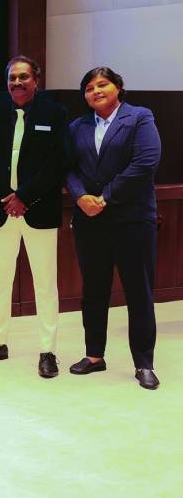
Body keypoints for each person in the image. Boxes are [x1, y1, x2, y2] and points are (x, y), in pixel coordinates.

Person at [66, 67, 161, 390]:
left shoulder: (139, 117)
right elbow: (68, 168)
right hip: (89, 222)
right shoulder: (77, 126)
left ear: (118, 87)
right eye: (89, 87)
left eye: (102, 84)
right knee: (93, 291)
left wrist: (103, 197)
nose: (96, 91)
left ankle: (144, 363)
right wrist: (80, 198)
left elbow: (146, 162)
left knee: (139, 292)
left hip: (132, 220)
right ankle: (94, 355)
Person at [0, 56, 67, 377]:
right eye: (12, 77)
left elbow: (58, 162)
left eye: (24, 77)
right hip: (2, 212)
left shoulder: (55, 114)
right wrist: (6, 197)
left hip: (38, 210)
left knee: (45, 284)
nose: (17, 82)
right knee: (0, 282)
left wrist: (24, 197)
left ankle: (48, 350)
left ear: (36, 80)